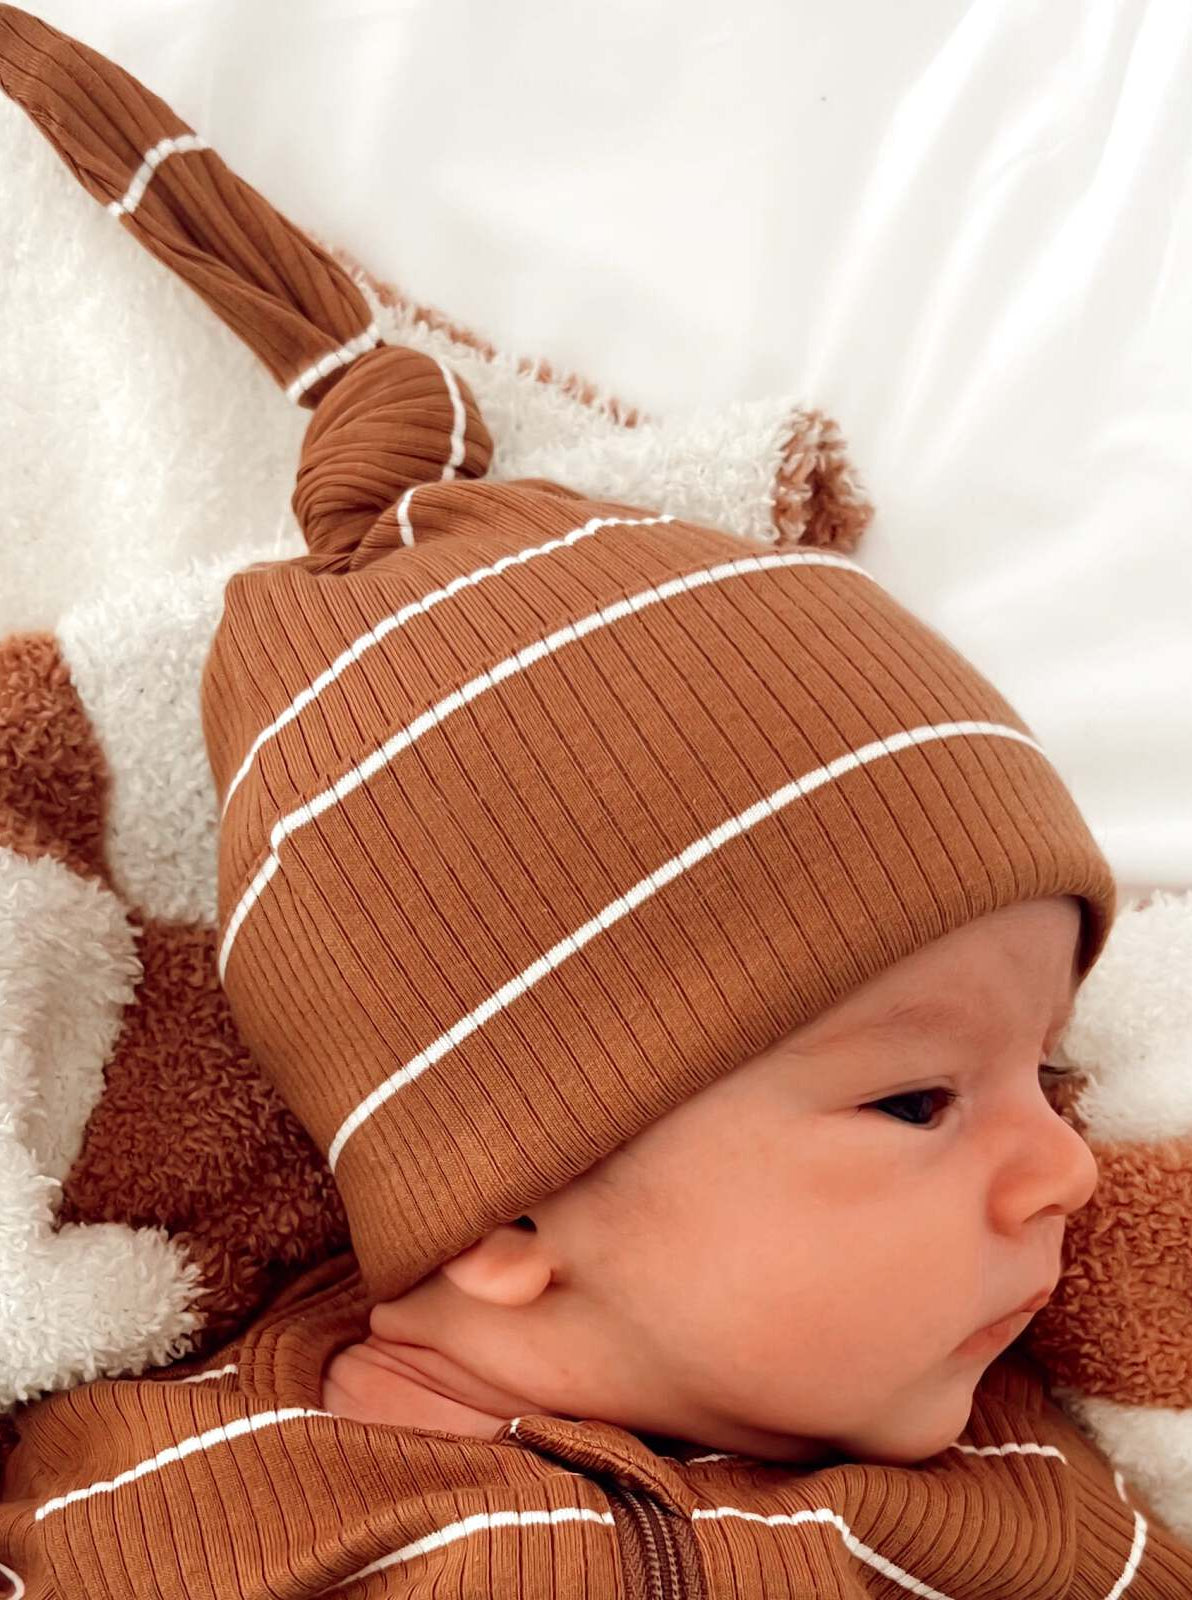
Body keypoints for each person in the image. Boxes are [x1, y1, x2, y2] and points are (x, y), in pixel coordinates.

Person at [4, 8, 1192, 1594]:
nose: (1065, 1167)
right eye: (918, 1101)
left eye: (1039, 1071)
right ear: (504, 1209)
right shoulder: (152, 1505)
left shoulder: (1027, 1501)